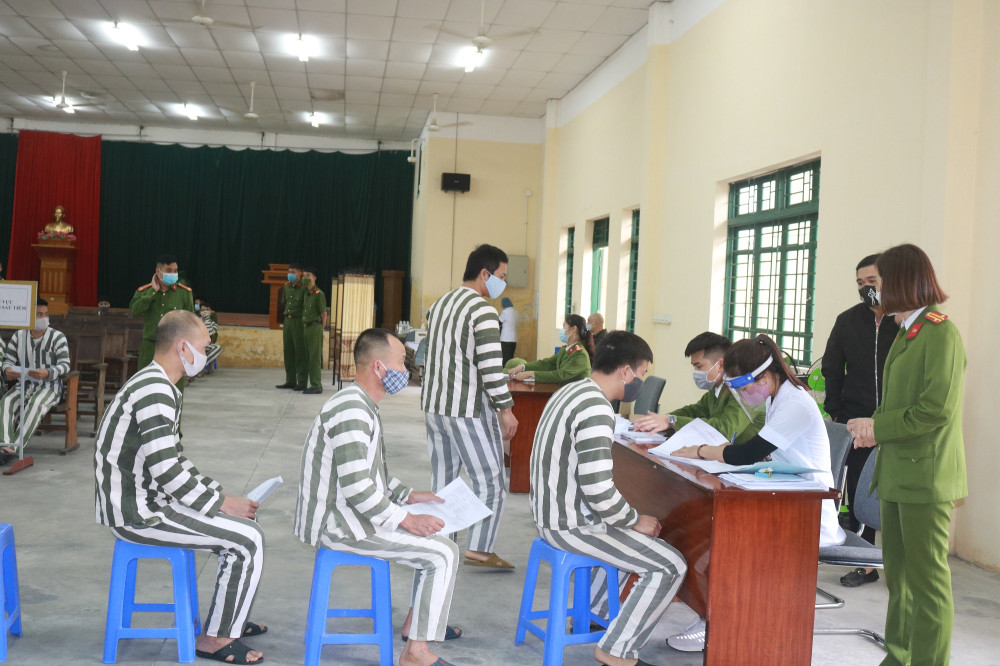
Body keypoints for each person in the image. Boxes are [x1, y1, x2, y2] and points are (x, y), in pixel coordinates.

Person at [94, 311, 266, 665]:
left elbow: (174, 460)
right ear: (183, 348)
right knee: (247, 540)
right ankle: (216, 638)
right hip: (137, 512)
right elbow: (168, 472)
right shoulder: (155, 390)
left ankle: (227, 619)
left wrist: (221, 498)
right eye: (204, 346)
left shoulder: (159, 384)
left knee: (244, 526)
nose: (207, 354)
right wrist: (220, 503)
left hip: (150, 500)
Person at [667, 334, 845, 652]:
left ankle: (722, 626)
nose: (743, 396)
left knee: (727, 541)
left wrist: (703, 450)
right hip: (781, 494)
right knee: (709, 530)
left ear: (764, 377)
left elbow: (748, 452)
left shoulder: (795, 403)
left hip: (806, 510)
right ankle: (715, 619)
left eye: (744, 388)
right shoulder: (778, 396)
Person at [295, 328, 463, 666]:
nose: (405, 369)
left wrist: (409, 495)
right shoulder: (352, 411)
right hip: (340, 524)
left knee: (436, 536)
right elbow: (359, 488)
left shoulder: (360, 404)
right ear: (378, 367)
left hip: (349, 514)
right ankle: (416, 652)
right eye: (401, 362)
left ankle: (416, 626)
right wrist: (407, 519)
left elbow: (370, 474)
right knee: (442, 553)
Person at [531, 330, 686, 666]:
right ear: (626, 371)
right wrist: (634, 519)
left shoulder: (571, 391)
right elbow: (597, 488)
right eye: (642, 373)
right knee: (670, 564)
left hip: (551, 513)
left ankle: (595, 617)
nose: (641, 381)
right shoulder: (596, 407)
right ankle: (616, 651)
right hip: (570, 525)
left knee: (629, 537)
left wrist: (627, 520)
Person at [847, 244, 966, 666]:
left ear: (900, 282)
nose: (872, 291)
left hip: (925, 476)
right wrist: (871, 429)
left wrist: (877, 427)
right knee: (899, 581)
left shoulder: (940, 332)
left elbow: (935, 410)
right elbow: (897, 402)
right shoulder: (905, 330)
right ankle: (898, 657)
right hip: (897, 471)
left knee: (927, 582)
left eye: (877, 282)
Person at [421, 244, 518, 570]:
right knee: (490, 482)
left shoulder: (439, 305)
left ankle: (442, 544)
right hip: (467, 410)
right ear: (485, 274)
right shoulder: (483, 311)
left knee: (444, 482)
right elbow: (491, 368)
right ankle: (480, 548)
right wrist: (505, 409)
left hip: (435, 406)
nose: (504, 283)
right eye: (502, 276)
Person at [822, 253, 900, 588]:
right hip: (856, 421)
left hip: (895, 423)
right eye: (860, 283)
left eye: (872, 282)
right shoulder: (848, 321)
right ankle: (865, 563)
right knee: (857, 490)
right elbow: (831, 367)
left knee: (895, 493)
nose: (866, 288)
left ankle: (900, 561)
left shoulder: (903, 322)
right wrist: (837, 411)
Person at [633, 332, 764, 444]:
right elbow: (695, 411)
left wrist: (671, 421)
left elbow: (724, 430)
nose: (696, 372)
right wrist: (662, 419)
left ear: (720, 364)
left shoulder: (745, 390)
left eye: (699, 366)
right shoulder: (717, 389)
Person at [0, 299, 70, 465]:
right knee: (6, 401)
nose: (43, 318)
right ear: (30, 317)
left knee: (35, 404)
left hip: (50, 386)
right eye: (39, 315)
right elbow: (8, 360)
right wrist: (7, 369)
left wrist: (48, 372)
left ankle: (14, 448)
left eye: (46, 314)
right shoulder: (19, 336)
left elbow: (65, 365)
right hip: (24, 384)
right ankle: (5, 445)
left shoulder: (57, 337)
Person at [129, 254, 194, 375]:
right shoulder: (145, 291)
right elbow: (134, 311)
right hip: (150, 347)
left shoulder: (184, 293)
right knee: (147, 382)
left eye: (175, 271)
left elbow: (190, 321)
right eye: (168, 271)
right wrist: (152, 292)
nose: (173, 274)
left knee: (173, 385)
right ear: (158, 272)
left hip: (174, 348)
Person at [505, 314, 594, 384]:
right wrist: (523, 367)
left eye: (564, 327)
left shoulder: (580, 354)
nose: (562, 330)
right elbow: (546, 364)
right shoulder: (565, 350)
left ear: (573, 329)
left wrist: (531, 374)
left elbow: (561, 375)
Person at [276, 263, 307, 390]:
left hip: (298, 321)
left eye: (293, 272)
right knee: (288, 352)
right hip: (287, 321)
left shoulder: (304, 288)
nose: (290, 274)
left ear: (300, 273)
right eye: (289, 272)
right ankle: (290, 380)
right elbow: (284, 303)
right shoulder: (286, 288)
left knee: (300, 352)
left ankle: (302, 382)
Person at [300, 267, 327, 395]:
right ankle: (306, 383)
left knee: (314, 358)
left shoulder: (318, 294)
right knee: (306, 357)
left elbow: (324, 314)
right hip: (306, 327)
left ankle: (316, 385)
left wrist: (321, 329)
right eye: (304, 275)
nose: (305, 278)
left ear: (314, 278)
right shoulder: (306, 293)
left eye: (308, 276)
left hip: (315, 327)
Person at [200, 302, 222, 371]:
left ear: (210, 311)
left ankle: (201, 365)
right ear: (200, 312)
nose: (205, 312)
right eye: (203, 310)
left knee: (217, 348)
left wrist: (207, 318)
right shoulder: (196, 321)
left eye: (207, 310)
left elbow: (210, 332)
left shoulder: (213, 323)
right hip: (196, 345)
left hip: (206, 345)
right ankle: (202, 367)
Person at [498, 297, 518, 367]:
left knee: (505, 358)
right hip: (514, 339)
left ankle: (505, 372)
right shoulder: (516, 312)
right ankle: (510, 371)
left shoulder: (505, 312)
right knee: (510, 357)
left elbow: (499, 322)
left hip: (505, 339)